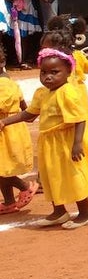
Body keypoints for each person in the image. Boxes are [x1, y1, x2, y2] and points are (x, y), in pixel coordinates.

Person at [0, 48, 88, 228]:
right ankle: (59, 211)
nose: (47, 77)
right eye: (43, 72)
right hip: (49, 142)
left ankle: (85, 212)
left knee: (72, 176)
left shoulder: (67, 92)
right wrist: (5, 122)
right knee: (52, 176)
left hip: (66, 141)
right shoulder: (42, 93)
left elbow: (80, 119)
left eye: (54, 72)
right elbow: (29, 114)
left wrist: (77, 144)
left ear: (68, 71)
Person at [0, 61, 36, 215]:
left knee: (2, 169)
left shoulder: (3, 84)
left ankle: (25, 187)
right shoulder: (9, 81)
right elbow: (24, 107)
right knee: (3, 168)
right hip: (10, 129)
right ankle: (9, 202)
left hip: (6, 130)